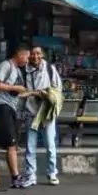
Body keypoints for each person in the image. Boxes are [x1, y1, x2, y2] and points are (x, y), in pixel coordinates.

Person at [21, 46, 63, 187]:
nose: (35, 56)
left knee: (50, 145)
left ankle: (52, 173)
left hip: (47, 113)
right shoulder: (24, 70)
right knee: (30, 146)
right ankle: (30, 175)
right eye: (32, 54)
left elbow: (58, 89)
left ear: (42, 55)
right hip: (30, 112)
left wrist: (38, 93)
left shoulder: (50, 69)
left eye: (38, 53)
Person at [0, 45, 32, 189]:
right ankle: (16, 177)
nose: (27, 60)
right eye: (27, 56)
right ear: (20, 54)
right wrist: (15, 88)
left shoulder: (17, 71)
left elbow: (18, 92)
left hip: (10, 107)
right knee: (11, 144)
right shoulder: (6, 65)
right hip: (2, 106)